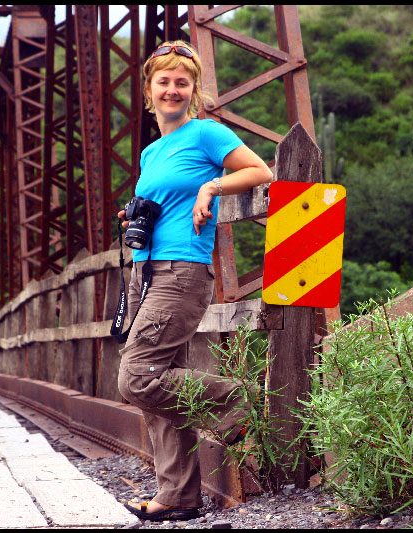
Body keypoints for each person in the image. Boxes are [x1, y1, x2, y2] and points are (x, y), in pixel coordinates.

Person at [117, 40, 274, 521]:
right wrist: (136, 219)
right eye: (162, 81)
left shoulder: (206, 134)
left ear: (193, 90)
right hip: (148, 269)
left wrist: (211, 185)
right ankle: (179, 496)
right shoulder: (151, 152)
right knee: (162, 388)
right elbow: (165, 202)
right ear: (149, 89)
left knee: (137, 376)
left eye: (181, 82)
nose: (171, 89)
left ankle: (242, 403)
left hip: (183, 271)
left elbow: (258, 169)